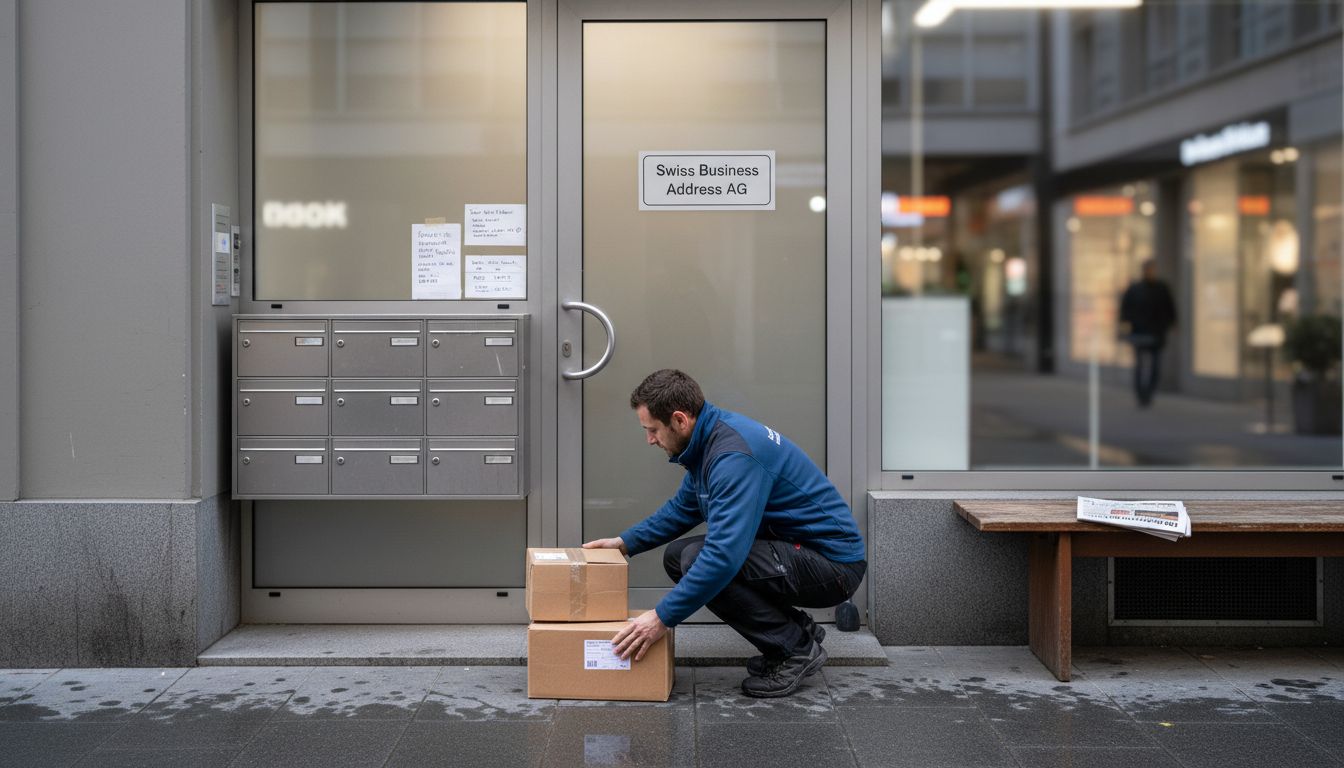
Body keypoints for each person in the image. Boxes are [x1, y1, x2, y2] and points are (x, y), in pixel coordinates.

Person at [583, 369, 867, 698]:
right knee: (678, 557)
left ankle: (796, 649)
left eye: (653, 430)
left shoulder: (732, 457)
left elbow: (723, 556)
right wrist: (624, 543)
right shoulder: (709, 439)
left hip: (833, 567)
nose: (650, 439)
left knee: (700, 560)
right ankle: (795, 631)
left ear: (679, 420)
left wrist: (661, 618)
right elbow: (682, 509)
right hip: (798, 551)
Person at [1119, 259, 1177, 407]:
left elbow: (1169, 307)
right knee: (1140, 365)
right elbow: (1126, 309)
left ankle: (1149, 392)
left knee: (1155, 366)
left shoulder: (1161, 288)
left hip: (1156, 333)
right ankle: (1141, 394)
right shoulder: (1135, 289)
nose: (1150, 272)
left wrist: (1171, 323)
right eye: (1148, 269)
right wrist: (1127, 324)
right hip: (1140, 332)